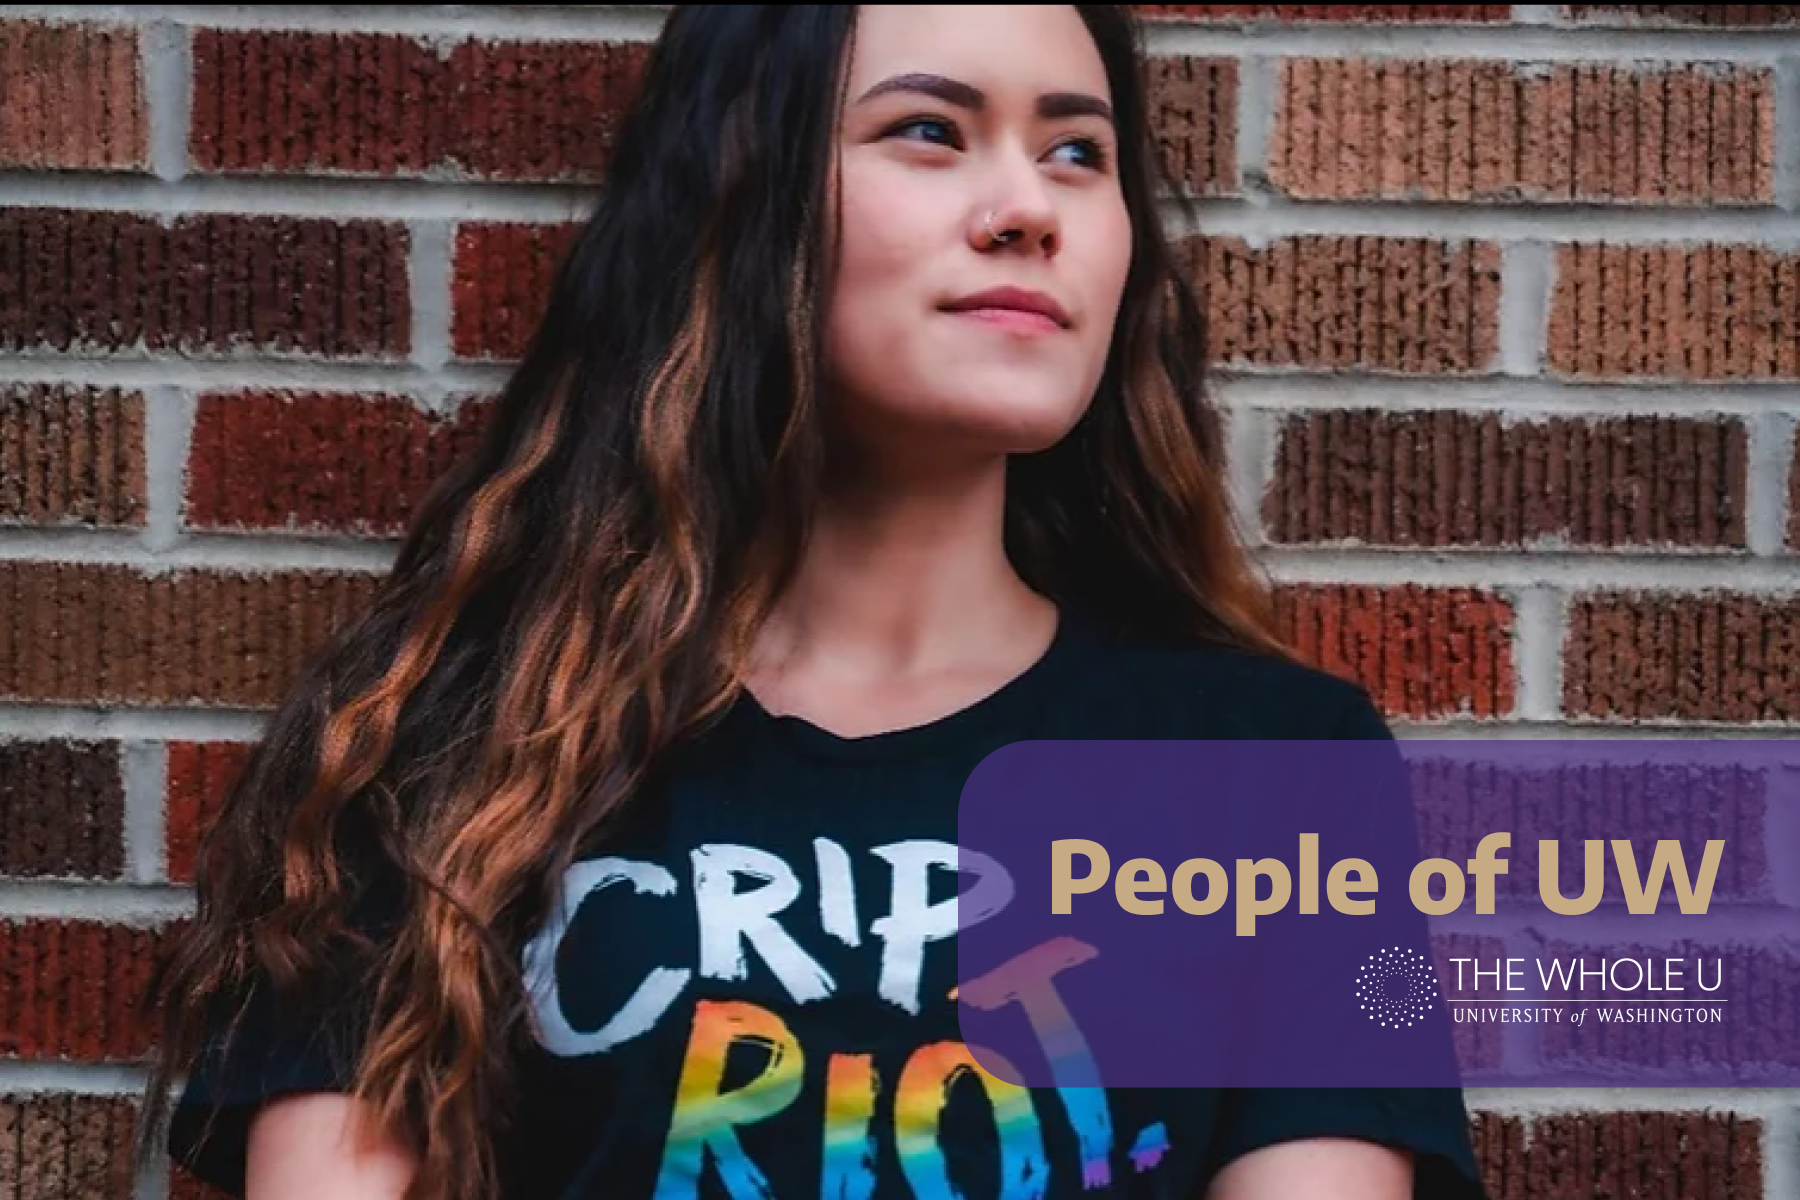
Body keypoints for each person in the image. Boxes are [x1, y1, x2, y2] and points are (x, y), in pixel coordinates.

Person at [139, 6, 1487, 1199]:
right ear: (750, 195)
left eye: (1078, 150)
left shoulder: (1273, 770)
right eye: (928, 132)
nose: (1032, 206)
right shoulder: (448, 756)